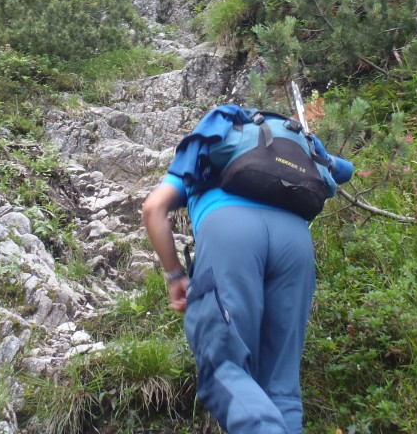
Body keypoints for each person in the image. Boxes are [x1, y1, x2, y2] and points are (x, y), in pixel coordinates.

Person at [142, 104, 354, 434]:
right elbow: (344, 171)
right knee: (281, 388)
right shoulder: (299, 143)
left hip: (230, 235)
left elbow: (153, 208)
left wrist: (175, 275)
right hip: (295, 243)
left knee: (224, 367)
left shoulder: (210, 143)